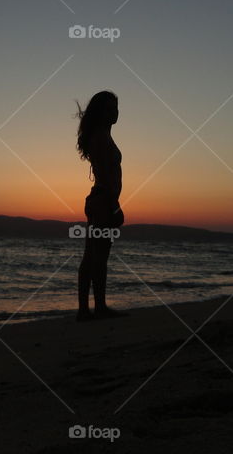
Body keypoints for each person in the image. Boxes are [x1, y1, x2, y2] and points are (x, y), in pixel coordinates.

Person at [75, 90, 127, 321]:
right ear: (99, 112)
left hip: (99, 200)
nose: (114, 112)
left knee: (91, 256)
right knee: (99, 257)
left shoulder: (102, 135)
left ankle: (86, 310)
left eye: (116, 108)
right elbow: (105, 176)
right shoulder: (101, 137)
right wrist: (114, 206)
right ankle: (99, 307)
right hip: (103, 201)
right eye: (108, 108)